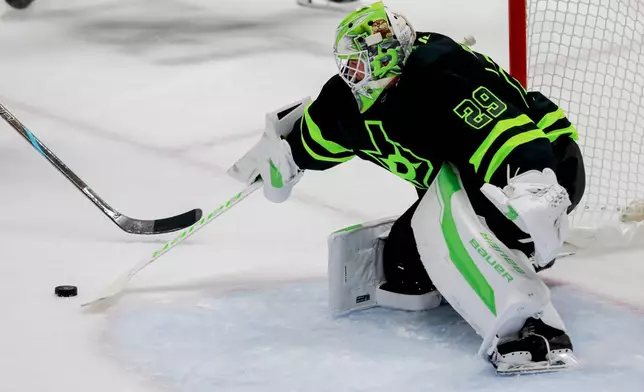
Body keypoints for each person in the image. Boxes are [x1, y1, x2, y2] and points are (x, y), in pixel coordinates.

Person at [228, 1, 585, 374]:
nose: (351, 74)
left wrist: (532, 183)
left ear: (384, 58)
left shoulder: (440, 72)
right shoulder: (346, 102)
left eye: (358, 64)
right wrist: (284, 157)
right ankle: (498, 256)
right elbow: (315, 136)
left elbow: (505, 132)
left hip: (542, 167)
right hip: (463, 182)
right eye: (346, 65)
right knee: (404, 272)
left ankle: (537, 330)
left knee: (455, 230)